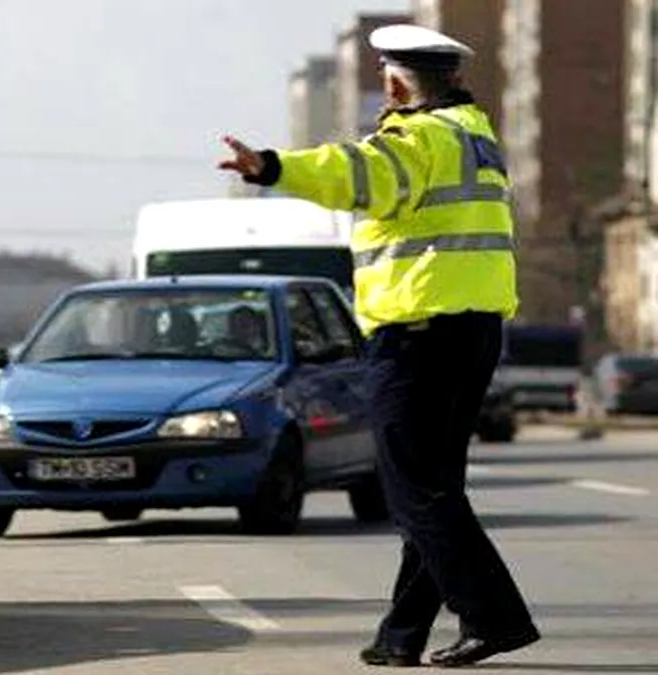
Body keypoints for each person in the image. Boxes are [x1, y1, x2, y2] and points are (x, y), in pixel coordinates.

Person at [217, 24, 539, 668]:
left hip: (418, 333)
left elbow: (353, 172)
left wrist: (273, 166)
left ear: (395, 82)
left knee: (415, 491)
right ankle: (402, 636)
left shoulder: (414, 140)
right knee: (434, 487)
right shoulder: (473, 136)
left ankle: (495, 617)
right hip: (473, 328)